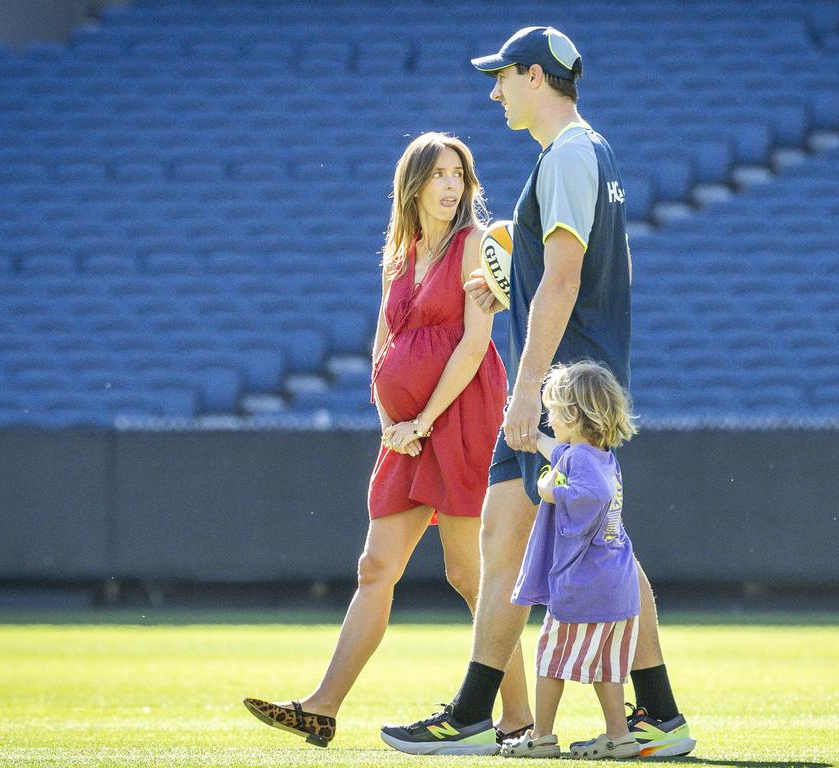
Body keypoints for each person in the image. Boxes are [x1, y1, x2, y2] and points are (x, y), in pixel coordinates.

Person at [381, 27, 694, 758]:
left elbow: (564, 277)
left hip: (561, 394)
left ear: (533, 77)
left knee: (594, 549)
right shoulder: (589, 153)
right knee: (503, 541)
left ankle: (639, 712)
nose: (495, 92)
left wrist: (529, 395)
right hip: (568, 383)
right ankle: (485, 710)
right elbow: (584, 274)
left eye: (503, 78)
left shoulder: (572, 154)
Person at [243, 132, 531, 749]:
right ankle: (322, 708)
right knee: (375, 567)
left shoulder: (475, 245)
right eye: (440, 175)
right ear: (415, 185)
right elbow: (383, 343)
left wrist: (423, 420)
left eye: (460, 174)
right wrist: (389, 421)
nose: (453, 186)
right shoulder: (398, 254)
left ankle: (518, 719)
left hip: (459, 418)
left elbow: (475, 344)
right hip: (404, 433)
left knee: (469, 574)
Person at [500, 361, 642, 761]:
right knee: (607, 667)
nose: (550, 418)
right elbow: (559, 451)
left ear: (575, 414)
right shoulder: (600, 455)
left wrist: (549, 491)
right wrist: (534, 440)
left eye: (554, 411)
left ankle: (541, 735)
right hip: (618, 582)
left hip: (585, 584)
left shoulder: (581, 463)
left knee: (549, 659)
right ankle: (619, 736)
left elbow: (590, 494)